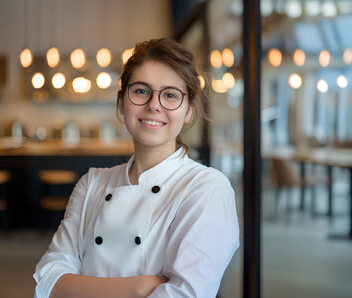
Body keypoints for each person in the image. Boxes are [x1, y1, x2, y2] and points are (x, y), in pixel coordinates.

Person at [33, 38, 240, 298]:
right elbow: (48, 280)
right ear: (121, 102)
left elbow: (185, 294)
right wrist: (139, 287)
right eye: (141, 91)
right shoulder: (92, 183)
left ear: (189, 111)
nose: (154, 104)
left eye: (170, 95)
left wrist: (76, 287)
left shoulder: (206, 189)